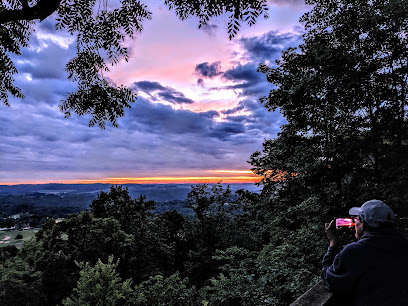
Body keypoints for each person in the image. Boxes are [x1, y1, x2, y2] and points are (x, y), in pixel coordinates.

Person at [322, 199, 408, 305]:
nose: (354, 223)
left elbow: (329, 278)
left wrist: (332, 243)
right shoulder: (403, 245)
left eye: (356, 219)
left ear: (362, 224)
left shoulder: (355, 252)